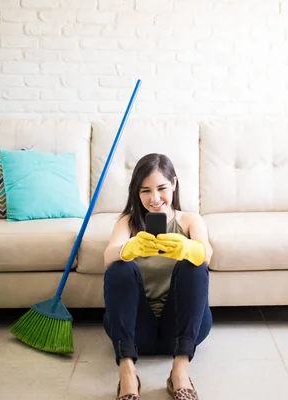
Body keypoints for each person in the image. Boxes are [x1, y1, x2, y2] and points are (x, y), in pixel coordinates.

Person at [103, 153, 213, 400]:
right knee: (119, 266)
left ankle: (180, 372)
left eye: (162, 188)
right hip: (135, 331)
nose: (154, 199)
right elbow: (108, 256)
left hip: (181, 330)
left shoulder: (190, 220)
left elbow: (208, 255)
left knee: (194, 264)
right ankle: (128, 374)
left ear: (174, 184)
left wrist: (188, 248)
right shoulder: (128, 222)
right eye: (145, 191)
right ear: (136, 192)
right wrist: (128, 249)